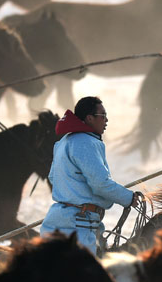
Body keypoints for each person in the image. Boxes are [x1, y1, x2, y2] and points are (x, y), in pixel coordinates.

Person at [41, 96, 140, 254]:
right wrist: (128, 198)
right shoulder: (85, 142)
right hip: (79, 227)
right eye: (103, 115)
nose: (106, 120)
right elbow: (100, 184)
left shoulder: (63, 142)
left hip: (57, 222)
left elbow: (54, 178)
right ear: (89, 118)